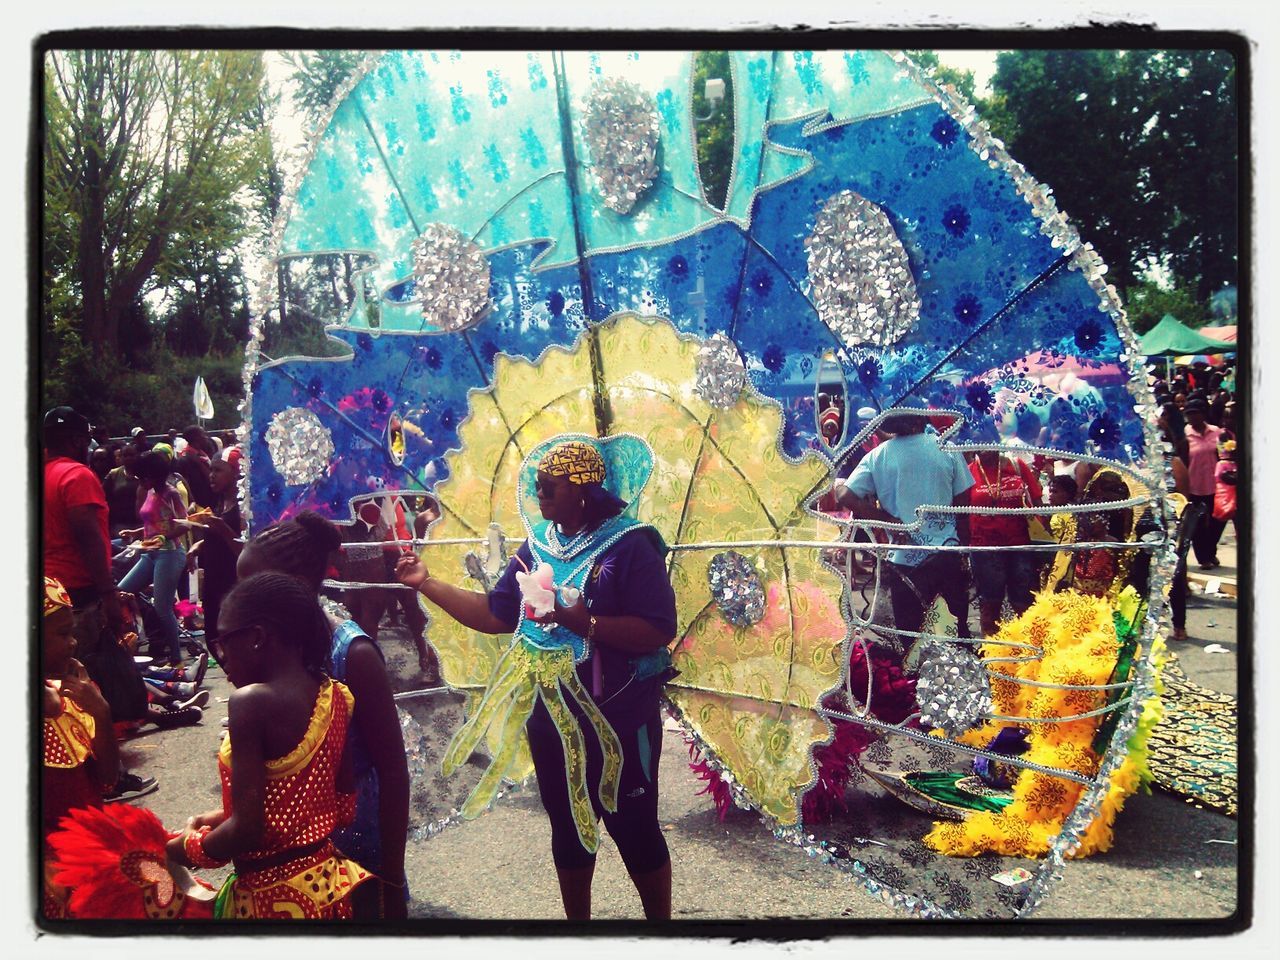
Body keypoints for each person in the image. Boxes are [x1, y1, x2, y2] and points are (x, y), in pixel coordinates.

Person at [396, 436, 676, 920]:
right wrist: (426, 583)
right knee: (566, 828)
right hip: (549, 719)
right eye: (539, 485)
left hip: (621, 719)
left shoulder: (632, 545)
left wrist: (582, 622)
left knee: (633, 828)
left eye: (551, 487)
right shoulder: (539, 544)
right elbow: (496, 614)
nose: (540, 494)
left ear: (584, 490)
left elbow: (658, 629)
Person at [165, 572, 373, 919]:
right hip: (327, 887)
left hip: (272, 900)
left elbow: (247, 830)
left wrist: (185, 848)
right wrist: (221, 816)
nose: (222, 657)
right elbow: (340, 804)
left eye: (223, 642)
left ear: (257, 637)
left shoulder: (250, 702)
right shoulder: (337, 696)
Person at [235, 512, 411, 919]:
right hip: (285, 856)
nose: (244, 597)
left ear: (296, 586)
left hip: (355, 848)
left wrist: (392, 874)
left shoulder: (354, 655)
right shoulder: (264, 649)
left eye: (255, 587)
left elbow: (393, 770)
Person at [832, 413, 973, 640]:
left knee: (910, 638)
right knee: (954, 634)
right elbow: (964, 504)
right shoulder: (946, 447)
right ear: (921, 420)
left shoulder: (878, 455)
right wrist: (965, 550)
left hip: (903, 560)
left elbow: (844, 494)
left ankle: (914, 676)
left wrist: (885, 518)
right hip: (947, 557)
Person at [42, 575, 123, 918]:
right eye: (62, 635)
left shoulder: (72, 697)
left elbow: (107, 781)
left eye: (71, 632)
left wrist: (102, 714)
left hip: (95, 856)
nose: (73, 643)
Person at [43, 406, 122, 656]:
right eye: (87, 441)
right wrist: (109, 594)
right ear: (76, 440)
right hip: (80, 591)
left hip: (51, 590)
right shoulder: (77, 475)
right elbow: (88, 538)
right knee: (98, 671)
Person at [118, 452, 189, 666]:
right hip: (150, 553)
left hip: (169, 553)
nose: (140, 481)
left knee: (163, 607)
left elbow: (184, 524)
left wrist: (161, 537)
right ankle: (141, 638)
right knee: (122, 591)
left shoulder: (171, 493)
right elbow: (153, 523)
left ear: (153, 475)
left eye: (143, 477)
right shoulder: (149, 492)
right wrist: (136, 532)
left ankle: (176, 656)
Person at [965, 449, 1044, 636]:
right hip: (985, 548)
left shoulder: (1016, 466)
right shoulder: (968, 472)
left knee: (1025, 600)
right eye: (978, 445)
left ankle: (1030, 647)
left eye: (987, 444)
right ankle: (992, 652)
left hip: (1020, 545)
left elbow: (1037, 501)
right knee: (990, 600)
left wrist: (1042, 531)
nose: (983, 450)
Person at [186, 451, 244, 649]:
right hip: (213, 581)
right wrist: (198, 546)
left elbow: (247, 551)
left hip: (232, 583)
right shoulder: (220, 503)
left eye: (218, 470)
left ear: (236, 473)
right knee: (212, 637)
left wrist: (223, 529)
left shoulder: (244, 507)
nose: (211, 475)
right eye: (211, 470)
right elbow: (215, 537)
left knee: (230, 640)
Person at [1183, 398, 1224, 569]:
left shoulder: (1216, 432)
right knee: (1197, 526)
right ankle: (1203, 558)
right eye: (1189, 414)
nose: (1192, 418)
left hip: (1215, 485)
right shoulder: (1185, 435)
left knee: (1218, 522)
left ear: (1203, 414)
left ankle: (1211, 551)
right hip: (1194, 486)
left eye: (1195, 413)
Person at [103, 442, 141, 539]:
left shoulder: (143, 473)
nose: (128, 458)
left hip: (141, 523)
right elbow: (104, 497)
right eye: (125, 455)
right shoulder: (113, 474)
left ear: (137, 455)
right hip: (120, 523)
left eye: (131, 455)